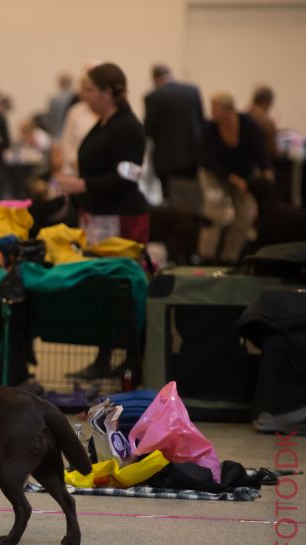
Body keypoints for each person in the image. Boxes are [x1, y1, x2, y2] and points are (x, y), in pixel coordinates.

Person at [55, 62, 149, 380]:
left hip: (121, 219)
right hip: (98, 217)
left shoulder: (128, 127)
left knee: (121, 291)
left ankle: (129, 360)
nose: (84, 96)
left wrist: (84, 185)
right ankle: (103, 357)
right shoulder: (105, 123)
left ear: (109, 93)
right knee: (104, 291)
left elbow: (129, 176)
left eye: (89, 90)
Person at [198, 91, 272, 264]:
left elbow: (260, 153)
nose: (212, 111)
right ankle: (205, 257)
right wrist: (232, 178)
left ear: (228, 109)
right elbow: (208, 160)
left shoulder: (248, 125)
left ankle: (229, 259)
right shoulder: (209, 128)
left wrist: (266, 173)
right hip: (214, 175)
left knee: (245, 216)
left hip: (244, 176)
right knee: (214, 214)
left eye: (215, 107)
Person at [143, 63, 204, 207]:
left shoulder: (153, 97)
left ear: (154, 79)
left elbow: (148, 130)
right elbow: (201, 121)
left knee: (171, 200)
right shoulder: (192, 91)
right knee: (193, 197)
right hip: (193, 155)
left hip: (167, 158)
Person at [248, 84, 279, 161]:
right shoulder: (267, 122)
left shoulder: (242, 116)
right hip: (259, 166)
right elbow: (272, 150)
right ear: (268, 102)